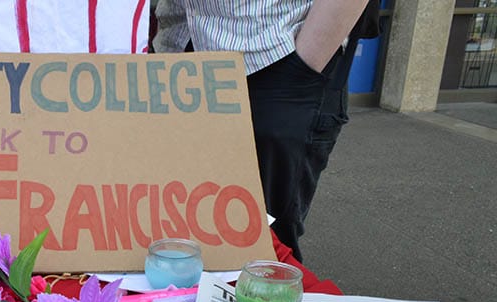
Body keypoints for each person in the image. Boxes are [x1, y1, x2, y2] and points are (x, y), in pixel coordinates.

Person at [152, 0, 376, 261]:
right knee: (186, 225)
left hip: (275, 59)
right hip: (186, 53)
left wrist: (305, 65)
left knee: (264, 250)